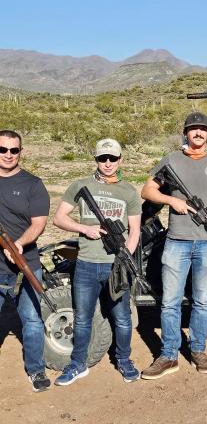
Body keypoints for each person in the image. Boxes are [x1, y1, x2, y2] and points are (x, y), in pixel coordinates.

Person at [141, 112, 207, 379]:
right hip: (177, 242)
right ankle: (169, 354)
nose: (198, 133)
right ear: (185, 133)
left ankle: (198, 350)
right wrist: (172, 201)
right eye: (192, 129)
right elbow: (147, 190)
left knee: (202, 301)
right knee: (170, 301)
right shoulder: (171, 160)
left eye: (203, 129)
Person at [53, 138, 142, 385]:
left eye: (113, 158)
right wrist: (85, 228)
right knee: (82, 318)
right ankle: (77, 364)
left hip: (116, 266)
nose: (108, 163)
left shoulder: (128, 191)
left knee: (122, 317)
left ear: (120, 159)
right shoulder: (80, 185)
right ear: (96, 160)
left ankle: (124, 360)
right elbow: (59, 219)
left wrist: (125, 257)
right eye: (103, 158)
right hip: (86, 263)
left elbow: (135, 230)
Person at [0, 130, 50, 392]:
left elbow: (39, 223)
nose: (8, 155)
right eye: (3, 150)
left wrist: (19, 244)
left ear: (21, 152)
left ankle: (36, 369)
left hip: (26, 261)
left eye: (14, 150)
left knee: (31, 320)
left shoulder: (33, 184)